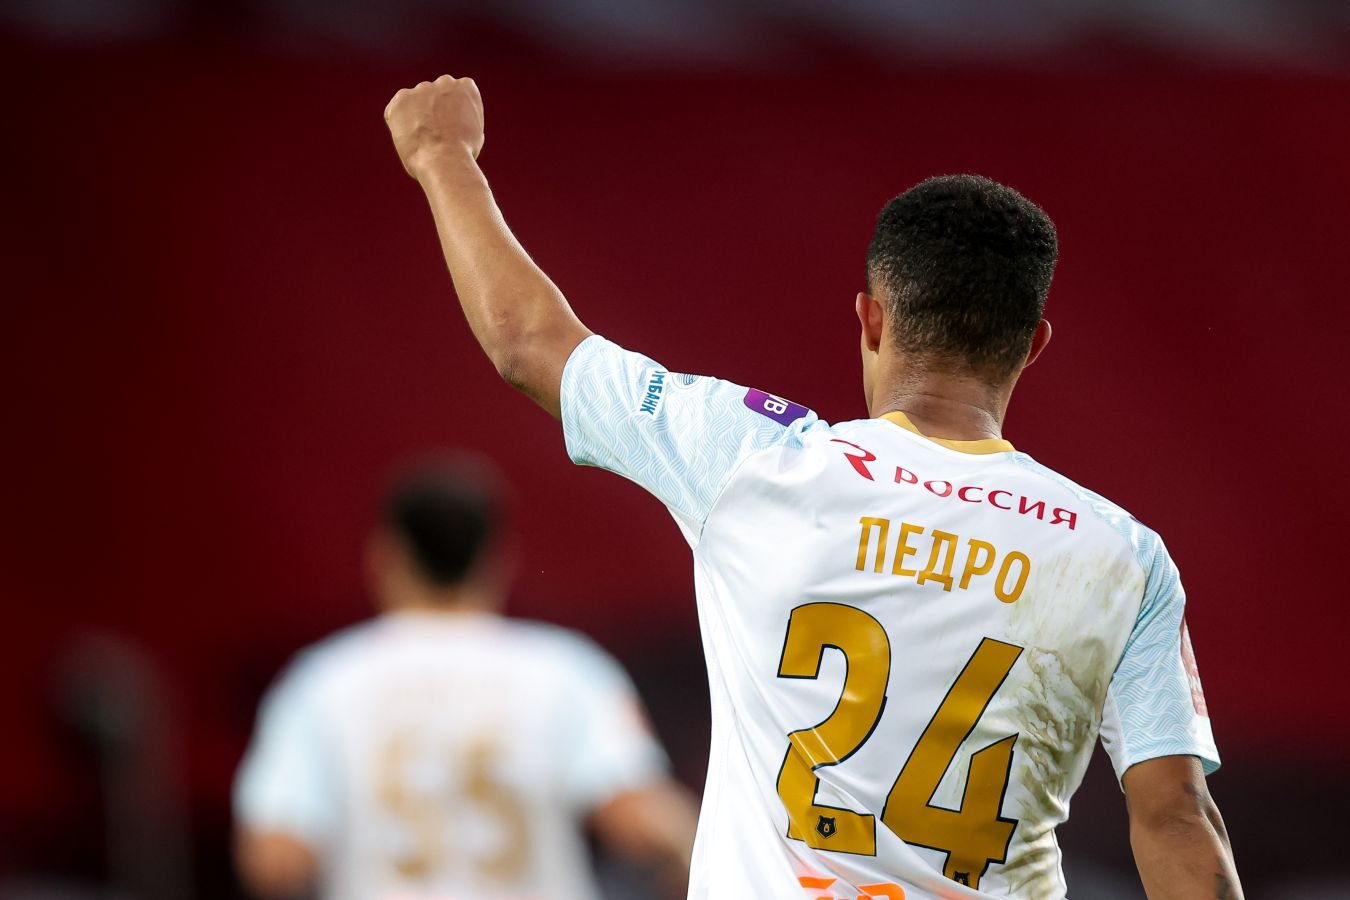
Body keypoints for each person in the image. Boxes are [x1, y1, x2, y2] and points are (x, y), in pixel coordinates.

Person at [381, 76, 1243, 899]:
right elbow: (1175, 816)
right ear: (1034, 345)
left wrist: (442, 156)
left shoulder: (756, 459)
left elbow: (529, 344)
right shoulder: (1119, 554)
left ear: (871, 317)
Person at [233, 457, 698, 900]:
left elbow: (275, 857)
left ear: (386, 556)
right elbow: (641, 820)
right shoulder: (564, 669)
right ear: (497, 558)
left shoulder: (322, 681)